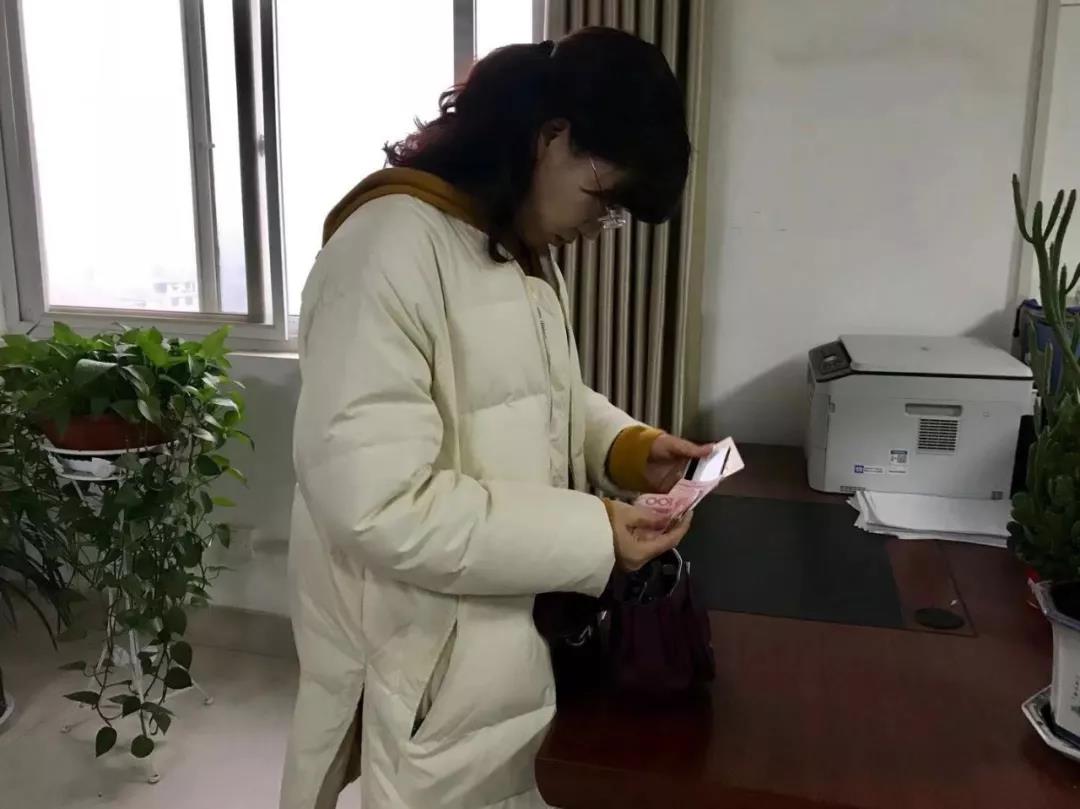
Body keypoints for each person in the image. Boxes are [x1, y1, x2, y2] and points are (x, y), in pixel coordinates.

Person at [280, 26, 708, 809]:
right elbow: (381, 505)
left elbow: (533, 394)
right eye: (603, 199)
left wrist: (624, 445)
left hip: (505, 647)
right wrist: (593, 533)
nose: (597, 228)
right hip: (427, 663)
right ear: (552, 136)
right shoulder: (386, 251)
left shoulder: (510, 245)